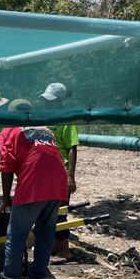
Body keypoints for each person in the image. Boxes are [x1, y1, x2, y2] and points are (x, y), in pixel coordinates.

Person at [0, 119, 67, 279]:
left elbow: (6, 166)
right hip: (58, 183)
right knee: (45, 235)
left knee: (16, 236)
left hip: (34, 183)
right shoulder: (46, 129)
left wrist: (5, 200)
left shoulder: (9, 130)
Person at [39, 82, 79, 263]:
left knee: (61, 212)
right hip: (46, 173)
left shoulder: (67, 120)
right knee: (49, 211)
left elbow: (72, 148)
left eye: (52, 101)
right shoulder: (45, 118)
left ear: (61, 101)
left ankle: (65, 251)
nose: (48, 104)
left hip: (60, 173)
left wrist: (70, 176)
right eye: (46, 101)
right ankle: (55, 245)